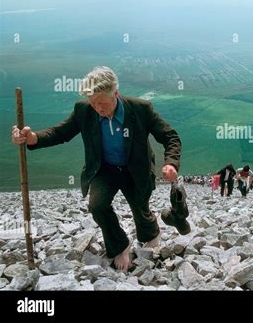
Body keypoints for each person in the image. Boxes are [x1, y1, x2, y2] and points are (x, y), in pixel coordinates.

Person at [11, 66, 183, 272]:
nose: (97, 108)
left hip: (135, 168)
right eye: (93, 103)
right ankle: (120, 245)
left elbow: (170, 136)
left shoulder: (140, 109)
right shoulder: (84, 110)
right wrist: (33, 138)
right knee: (97, 205)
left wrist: (170, 162)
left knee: (140, 207)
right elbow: (61, 133)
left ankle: (150, 234)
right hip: (104, 169)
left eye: (102, 103)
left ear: (115, 94)